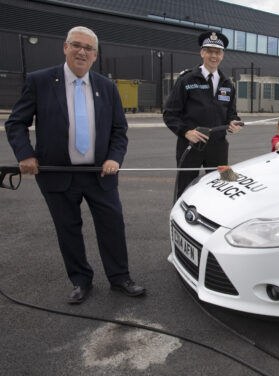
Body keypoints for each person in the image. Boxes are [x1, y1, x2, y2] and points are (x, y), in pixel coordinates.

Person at [5, 26, 145, 304]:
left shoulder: (106, 87)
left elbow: (119, 129)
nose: (82, 52)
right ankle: (81, 280)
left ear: (95, 55)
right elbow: (16, 122)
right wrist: (25, 154)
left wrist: (114, 158)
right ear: (65, 47)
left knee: (112, 225)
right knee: (67, 228)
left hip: (100, 174)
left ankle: (119, 278)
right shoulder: (40, 81)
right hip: (57, 174)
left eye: (89, 48)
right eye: (77, 45)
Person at [163, 30, 242, 199]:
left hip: (218, 146)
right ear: (202, 53)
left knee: (222, 186)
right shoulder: (187, 79)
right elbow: (170, 114)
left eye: (218, 52)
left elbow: (231, 114)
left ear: (222, 55)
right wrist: (186, 132)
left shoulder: (228, 83)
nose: (214, 56)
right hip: (191, 145)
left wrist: (234, 122)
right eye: (210, 51)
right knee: (185, 189)